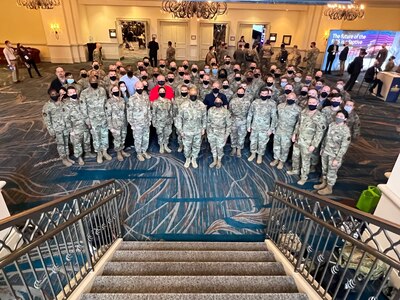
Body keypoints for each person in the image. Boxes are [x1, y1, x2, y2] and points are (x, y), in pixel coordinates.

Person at [288, 97, 326, 185]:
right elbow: (298, 123)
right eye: (310, 102)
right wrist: (294, 134)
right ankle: (295, 170)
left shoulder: (320, 116)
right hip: (298, 139)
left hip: (308, 143)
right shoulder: (304, 111)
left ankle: (304, 177)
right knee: (295, 156)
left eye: (313, 103)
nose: (311, 104)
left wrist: (314, 145)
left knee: (305, 160)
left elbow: (319, 133)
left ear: (317, 104)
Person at [314, 110, 351, 195]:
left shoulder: (346, 131)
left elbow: (344, 147)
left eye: (341, 117)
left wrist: (337, 159)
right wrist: (322, 148)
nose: (339, 118)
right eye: (338, 116)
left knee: (332, 172)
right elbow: (326, 138)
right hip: (326, 152)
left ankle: (329, 188)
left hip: (334, 155)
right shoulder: (332, 125)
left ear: (345, 118)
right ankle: (324, 183)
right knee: (325, 169)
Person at [80, 76, 112, 164]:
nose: (94, 83)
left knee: (105, 135)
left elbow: (106, 103)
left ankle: (105, 152)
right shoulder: (84, 93)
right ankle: (99, 153)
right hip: (92, 119)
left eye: (95, 81)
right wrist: (87, 120)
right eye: (92, 81)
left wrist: (108, 116)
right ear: (89, 82)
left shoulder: (102, 90)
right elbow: (83, 107)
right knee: (96, 137)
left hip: (103, 118)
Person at [175, 87, 207, 168]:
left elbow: (204, 117)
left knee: (196, 146)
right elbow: (179, 118)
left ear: (197, 94)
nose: (193, 96)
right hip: (186, 130)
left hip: (197, 130)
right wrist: (180, 130)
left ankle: (194, 158)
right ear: (189, 94)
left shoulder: (201, 105)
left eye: (195, 94)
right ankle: (188, 158)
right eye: (192, 94)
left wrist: (203, 128)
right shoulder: (183, 105)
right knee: (187, 146)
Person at [43, 89, 73, 167]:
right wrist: (51, 131)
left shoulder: (61, 103)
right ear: (49, 95)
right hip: (57, 129)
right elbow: (47, 121)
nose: (55, 95)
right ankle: (63, 159)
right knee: (61, 144)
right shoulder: (47, 106)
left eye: (56, 93)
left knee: (66, 143)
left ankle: (67, 157)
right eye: (52, 94)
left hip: (65, 127)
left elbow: (66, 114)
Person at [271, 92, 301, 170]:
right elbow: (275, 117)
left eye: (292, 99)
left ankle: (282, 161)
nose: (290, 99)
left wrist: (295, 134)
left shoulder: (298, 109)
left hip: (289, 131)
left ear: (295, 99)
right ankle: (276, 158)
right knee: (276, 145)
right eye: (288, 98)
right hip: (279, 129)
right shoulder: (280, 106)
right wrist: (273, 127)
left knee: (285, 147)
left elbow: (298, 123)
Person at [247, 88, 277, 165]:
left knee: (262, 143)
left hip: (265, 128)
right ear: (260, 94)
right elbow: (250, 114)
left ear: (268, 94)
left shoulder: (272, 104)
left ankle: (260, 155)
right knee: (253, 141)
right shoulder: (255, 102)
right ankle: (253, 154)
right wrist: (248, 125)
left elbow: (274, 117)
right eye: (262, 94)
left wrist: (271, 129)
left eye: (265, 94)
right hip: (254, 126)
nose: (264, 95)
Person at [64, 86, 93, 166]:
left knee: (86, 140)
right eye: (71, 93)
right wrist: (71, 130)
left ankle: (87, 152)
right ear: (68, 94)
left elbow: (86, 112)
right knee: (77, 144)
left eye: (74, 92)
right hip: (75, 128)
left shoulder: (81, 101)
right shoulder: (67, 105)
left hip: (85, 125)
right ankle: (79, 157)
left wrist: (88, 123)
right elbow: (66, 119)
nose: (73, 94)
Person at [126, 81, 152, 161]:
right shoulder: (132, 99)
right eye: (138, 87)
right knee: (138, 139)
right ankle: (139, 153)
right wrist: (132, 124)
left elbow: (148, 109)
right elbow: (129, 113)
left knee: (146, 138)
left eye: (141, 87)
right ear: (135, 87)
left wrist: (149, 120)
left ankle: (144, 151)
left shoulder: (146, 97)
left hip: (146, 122)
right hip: (137, 123)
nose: (140, 89)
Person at [106, 85, 130, 161]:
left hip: (123, 122)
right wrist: (110, 127)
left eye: (117, 89)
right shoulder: (109, 101)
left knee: (123, 137)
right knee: (117, 139)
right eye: (114, 90)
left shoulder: (122, 100)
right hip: (115, 124)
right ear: (111, 91)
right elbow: (108, 115)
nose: (116, 91)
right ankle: (118, 153)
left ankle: (122, 150)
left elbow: (125, 111)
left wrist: (127, 121)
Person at [207, 98, 232, 169]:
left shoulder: (226, 112)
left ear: (222, 102)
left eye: (219, 101)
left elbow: (228, 125)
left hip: (221, 133)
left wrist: (226, 135)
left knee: (220, 148)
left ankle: (219, 161)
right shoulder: (210, 110)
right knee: (213, 147)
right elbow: (208, 122)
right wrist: (208, 132)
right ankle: (214, 160)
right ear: (214, 102)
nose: (218, 102)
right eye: (216, 101)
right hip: (211, 132)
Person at [229, 87, 251, 158]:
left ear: (244, 93)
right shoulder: (232, 100)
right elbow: (229, 111)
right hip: (234, 121)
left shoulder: (248, 101)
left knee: (241, 136)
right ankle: (233, 148)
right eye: (239, 92)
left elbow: (249, 113)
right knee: (233, 135)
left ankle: (239, 149)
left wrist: (248, 124)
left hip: (243, 121)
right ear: (237, 92)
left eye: (242, 92)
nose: (240, 93)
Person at [152, 86, 173, 153]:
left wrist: (171, 119)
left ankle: (166, 145)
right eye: (161, 92)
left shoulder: (168, 101)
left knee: (167, 134)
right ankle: (161, 146)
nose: (162, 93)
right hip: (159, 122)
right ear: (158, 93)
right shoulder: (155, 102)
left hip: (168, 121)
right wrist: (154, 122)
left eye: (163, 92)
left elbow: (171, 111)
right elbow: (153, 113)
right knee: (160, 134)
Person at [172, 85, 190, 152]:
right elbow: (174, 110)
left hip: (188, 121)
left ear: (188, 91)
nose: (184, 91)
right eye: (182, 90)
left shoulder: (190, 99)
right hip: (179, 120)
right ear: (180, 91)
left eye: (185, 90)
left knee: (187, 135)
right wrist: (175, 119)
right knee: (179, 134)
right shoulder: (177, 99)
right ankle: (180, 146)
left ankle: (186, 146)